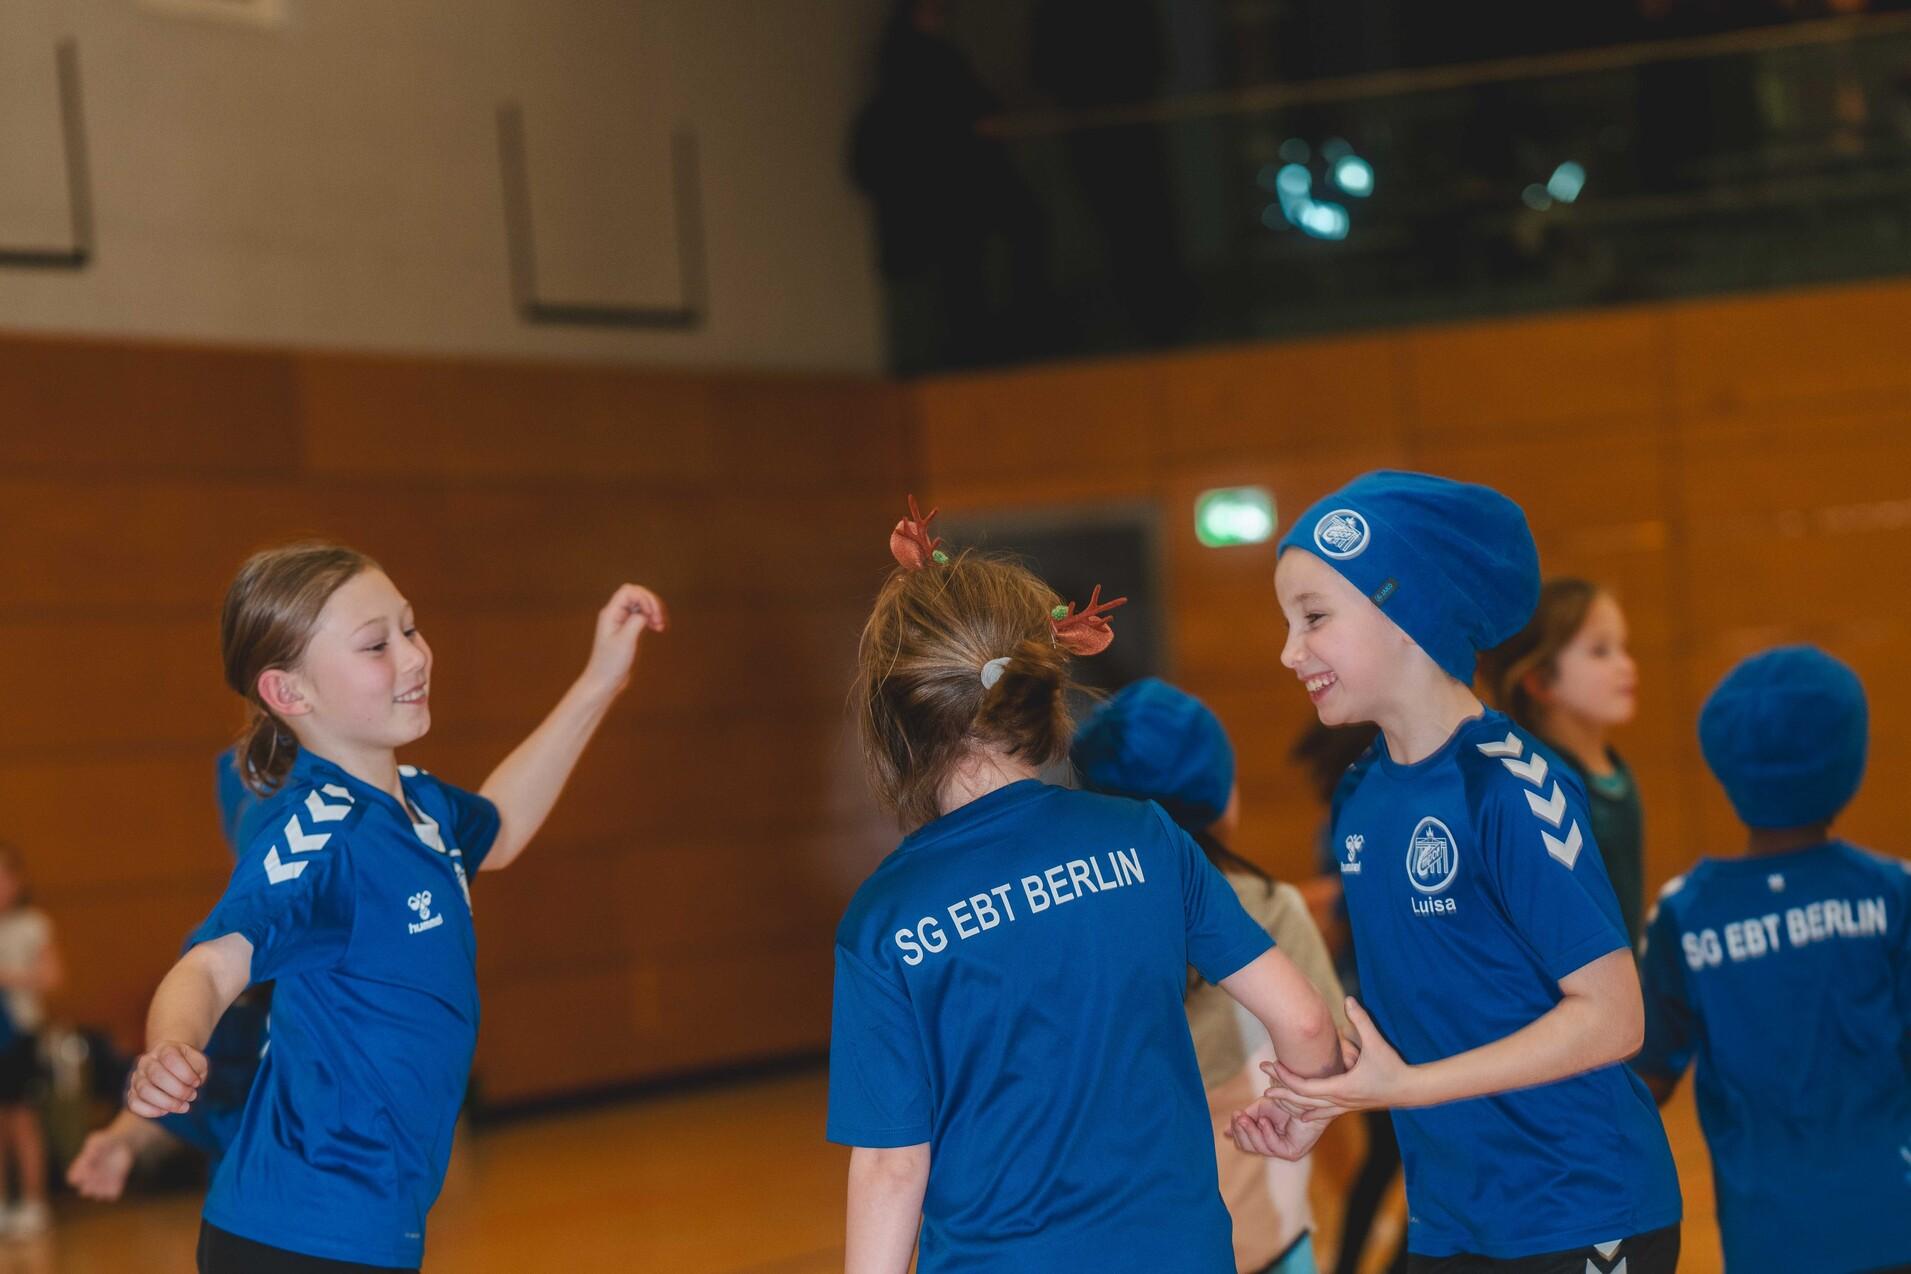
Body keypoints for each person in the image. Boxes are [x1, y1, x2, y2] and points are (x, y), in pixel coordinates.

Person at [830, 498, 1343, 1274]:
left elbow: (892, 1166)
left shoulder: (884, 919)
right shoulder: (1143, 836)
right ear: (1041, 689)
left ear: (898, 722)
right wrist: (1297, 1114)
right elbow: (1305, 1023)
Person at [125, 542, 665, 1272]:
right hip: (293, 1234)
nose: (415, 657)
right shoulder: (317, 836)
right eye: (377, 644)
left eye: (409, 628)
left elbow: (499, 827)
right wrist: (172, 1044)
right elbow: (213, 963)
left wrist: (600, 680)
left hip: (370, 1227)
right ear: (289, 693)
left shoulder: (424, 806)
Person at [1263, 472, 1682, 1273]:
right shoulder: (1359, 796)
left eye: (1313, 617)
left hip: (1577, 1211)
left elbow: (1613, 1017)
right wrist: (1331, 1095)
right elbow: (1439, 1009)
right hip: (1451, 1221)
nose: (1288, 651)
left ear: (1406, 610)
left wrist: (1406, 1089)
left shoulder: (1511, 786)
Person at [1633, 645, 1911, 1274]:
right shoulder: (1892, 893)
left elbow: (1645, 1077)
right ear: (1850, 761)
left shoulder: (1687, 912)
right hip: (1892, 1220)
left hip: (1767, 1239)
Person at [1073, 678, 1348, 1274]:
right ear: (1221, 797)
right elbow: (1335, 1055)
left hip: (1133, 1241)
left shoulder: (1079, 923)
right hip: (1264, 1237)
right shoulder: (1271, 906)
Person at [1480, 579, 1646, 946]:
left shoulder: (1615, 770)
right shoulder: (1539, 789)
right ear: (1540, 681)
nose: (1626, 666)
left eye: (1624, 648)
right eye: (1601, 651)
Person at [0, 844, 61, 1238]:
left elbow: (53, 978)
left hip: (16, 1037)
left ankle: (34, 1202)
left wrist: (9, 978)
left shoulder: (32, 925)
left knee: (22, 1121)